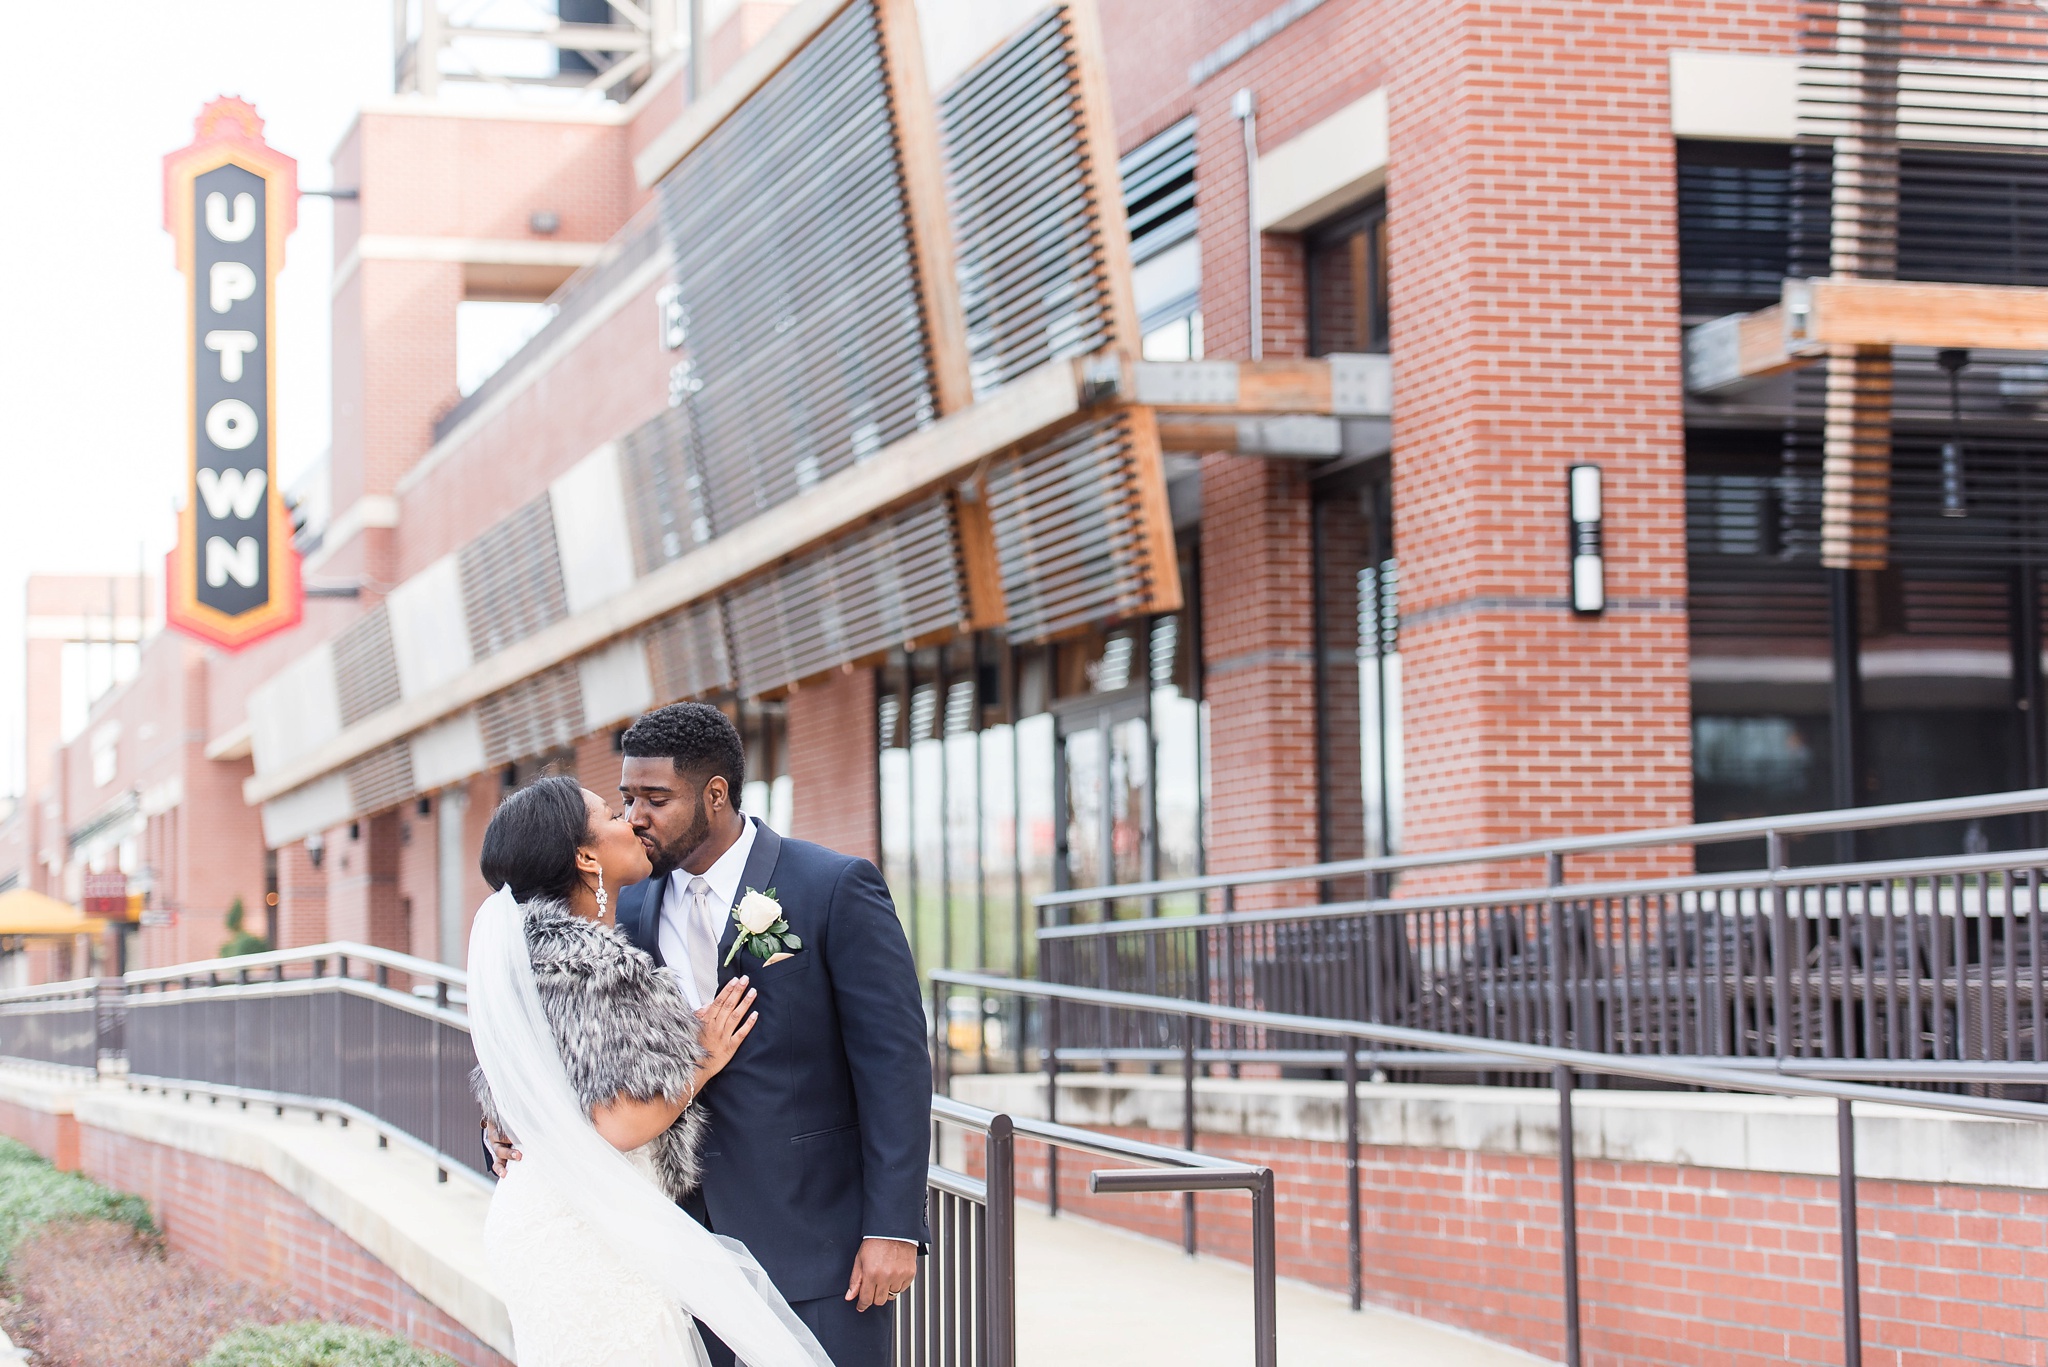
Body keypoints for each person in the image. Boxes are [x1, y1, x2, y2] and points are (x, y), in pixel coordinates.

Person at [582, 701, 931, 1367]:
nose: (635, 816)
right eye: (628, 798)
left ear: (715, 794)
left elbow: (896, 1066)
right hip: (677, 1243)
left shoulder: (831, 886)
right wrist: (506, 1127)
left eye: (655, 798)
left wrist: (893, 1226)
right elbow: (579, 1041)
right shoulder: (627, 907)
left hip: (821, 1248)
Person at [468, 775, 831, 1367]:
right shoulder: (585, 963)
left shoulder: (528, 957)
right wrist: (702, 1059)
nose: (632, 821)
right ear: (586, 857)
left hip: (563, 1216)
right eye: (613, 814)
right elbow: (617, 1122)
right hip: (586, 1236)